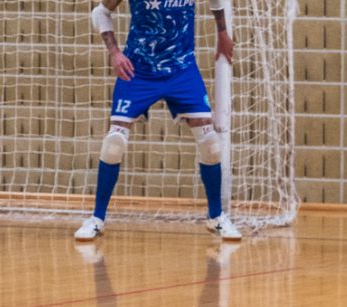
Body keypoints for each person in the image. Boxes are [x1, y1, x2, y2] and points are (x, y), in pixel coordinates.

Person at [76, 0, 241, 241]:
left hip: (182, 69)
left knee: (210, 141)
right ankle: (97, 218)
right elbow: (100, 12)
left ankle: (216, 217)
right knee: (114, 142)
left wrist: (223, 33)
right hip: (138, 70)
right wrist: (114, 52)